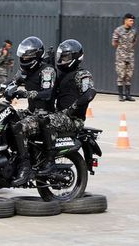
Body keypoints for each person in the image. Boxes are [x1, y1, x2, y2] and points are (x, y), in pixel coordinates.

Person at [8, 36, 57, 186]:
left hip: (44, 114)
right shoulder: (24, 70)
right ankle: (14, 157)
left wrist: (25, 94)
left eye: (27, 55)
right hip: (31, 112)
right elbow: (12, 83)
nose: (24, 58)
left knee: (19, 127)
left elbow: (47, 94)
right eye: (23, 55)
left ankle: (25, 166)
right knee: (6, 118)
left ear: (36, 55)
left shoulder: (47, 70)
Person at [42, 39, 96, 171]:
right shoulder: (61, 75)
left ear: (76, 57)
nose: (62, 60)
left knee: (45, 121)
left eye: (65, 57)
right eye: (61, 56)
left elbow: (89, 93)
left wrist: (72, 109)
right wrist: (47, 66)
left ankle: (50, 161)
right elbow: (48, 93)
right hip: (60, 115)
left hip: (74, 119)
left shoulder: (82, 74)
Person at [112, 13, 137, 102]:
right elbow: (114, 43)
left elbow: (134, 42)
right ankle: (120, 95)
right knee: (121, 75)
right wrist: (122, 49)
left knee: (129, 76)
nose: (132, 22)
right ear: (125, 20)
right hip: (121, 57)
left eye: (133, 21)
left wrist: (129, 49)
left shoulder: (134, 31)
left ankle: (128, 95)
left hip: (130, 56)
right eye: (130, 20)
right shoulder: (118, 30)